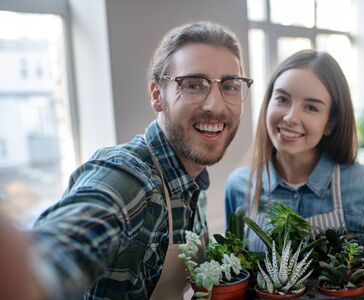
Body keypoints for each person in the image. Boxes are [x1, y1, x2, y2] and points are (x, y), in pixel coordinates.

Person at [0, 21, 253, 299]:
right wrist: (33, 275)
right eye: (193, 85)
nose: (215, 105)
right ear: (158, 96)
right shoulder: (128, 180)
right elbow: (59, 253)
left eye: (230, 86)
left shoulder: (192, 183)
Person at [225, 50, 364, 252]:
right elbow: (231, 272)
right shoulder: (238, 186)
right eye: (282, 99)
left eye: (311, 107)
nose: (291, 117)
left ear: (330, 123)